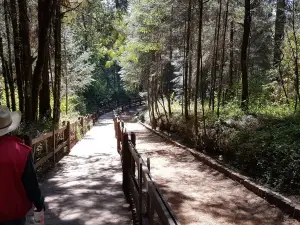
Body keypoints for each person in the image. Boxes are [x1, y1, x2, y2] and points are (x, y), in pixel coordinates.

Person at [0, 106, 45, 225]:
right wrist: (39, 202)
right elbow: (31, 183)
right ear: (10, 128)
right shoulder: (20, 151)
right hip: (13, 215)